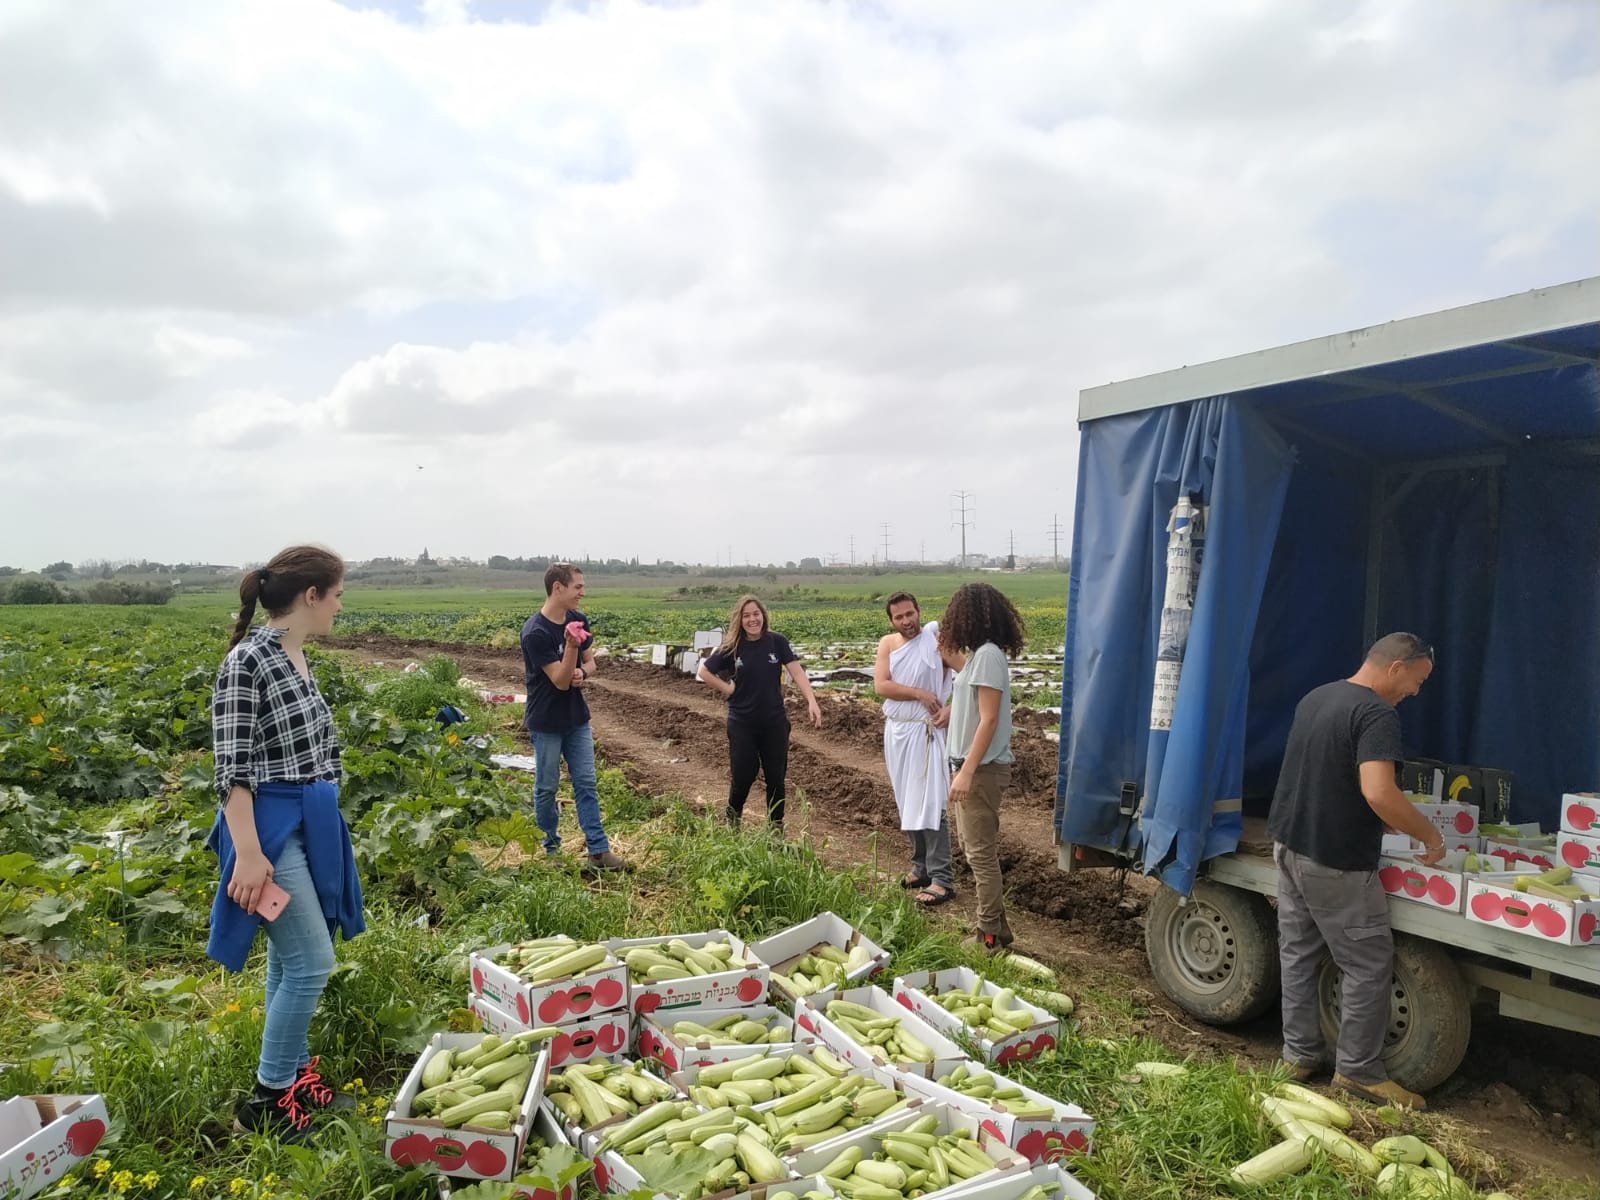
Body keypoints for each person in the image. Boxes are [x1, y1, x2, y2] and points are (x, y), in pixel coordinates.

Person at [207, 545, 365, 1141]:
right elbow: (231, 770)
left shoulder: (295, 656)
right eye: (338, 595)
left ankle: (296, 1081)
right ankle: (268, 1101)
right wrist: (249, 855)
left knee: (289, 958)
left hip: (307, 820)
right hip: (268, 826)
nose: (341, 607)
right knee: (312, 962)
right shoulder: (248, 662)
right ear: (311, 596)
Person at [1268, 632, 1443, 1110]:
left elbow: (1325, 774)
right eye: (1417, 680)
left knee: (1299, 954)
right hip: (1335, 860)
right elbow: (1378, 792)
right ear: (1396, 667)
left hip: (1290, 844)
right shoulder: (1376, 714)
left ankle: (1299, 1056)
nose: (1416, 692)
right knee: (1366, 965)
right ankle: (1359, 1072)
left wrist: (1382, 817)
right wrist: (1430, 836)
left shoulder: (1318, 697)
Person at [520, 563, 629, 871]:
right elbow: (559, 680)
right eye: (578, 587)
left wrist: (584, 672)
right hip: (546, 721)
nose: (583, 592)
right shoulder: (535, 632)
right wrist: (570, 647)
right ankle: (552, 851)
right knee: (547, 787)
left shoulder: (577, 620)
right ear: (558, 587)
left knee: (586, 782)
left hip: (576, 718)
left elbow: (590, 663)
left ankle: (599, 852)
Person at [939, 582, 1025, 952]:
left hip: (982, 771)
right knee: (973, 848)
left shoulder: (988, 656)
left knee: (981, 856)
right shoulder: (979, 657)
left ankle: (986, 937)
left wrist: (967, 771)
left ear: (970, 617)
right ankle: (999, 933)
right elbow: (972, 705)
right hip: (970, 767)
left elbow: (988, 720)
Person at [697, 594, 823, 829]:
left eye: (756, 614)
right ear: (740, 620)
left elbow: (796, 672)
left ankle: (775, 828)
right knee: (743, 774)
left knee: (776, 777)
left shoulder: (777, 642)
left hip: (774, 722)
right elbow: (704, 671)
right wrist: (728, 689)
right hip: (742, 722)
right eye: (746, 616)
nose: (752, 619)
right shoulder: (732, 646)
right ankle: (732, 821)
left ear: (763, 616)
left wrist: (812, 701)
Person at [874, 592, 957, 907]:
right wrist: (919, 693)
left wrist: (951, 709)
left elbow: (970, 675)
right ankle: (921, 868)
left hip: (925, 732)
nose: (906, 621)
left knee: (930, 802)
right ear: (891, 620)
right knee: (907, 800)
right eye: (899, 617)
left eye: (910, 614)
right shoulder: (888, 644)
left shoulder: (937, 641)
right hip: (897, 732)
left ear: (919, 611)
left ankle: (942, 878)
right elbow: (881, 685)